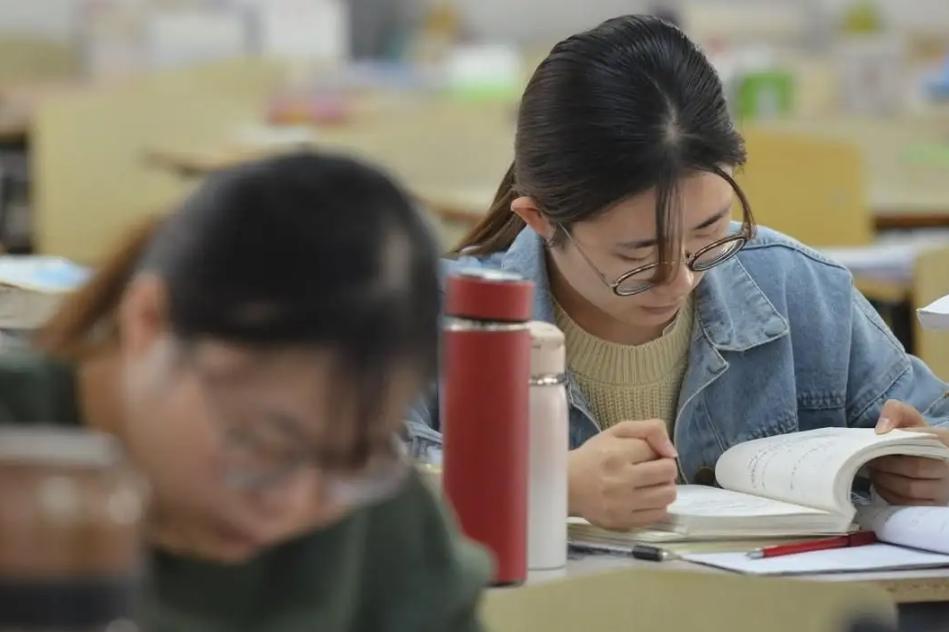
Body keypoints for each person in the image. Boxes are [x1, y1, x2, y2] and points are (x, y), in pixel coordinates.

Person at [409, 15, 949, 531]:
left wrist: (928, 458)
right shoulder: (431, 315)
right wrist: (549, 484)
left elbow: (935, 418)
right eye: (638, 257)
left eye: (709, 230)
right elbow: (357, 479)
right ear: (540, 220)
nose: (681, 282)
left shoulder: (797, 288)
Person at [2, 153, 489, 630]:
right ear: (149, 321)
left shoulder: (382, 526)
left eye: (348, 460)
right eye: (262, 442)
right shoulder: (18, 453)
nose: (289, 503)